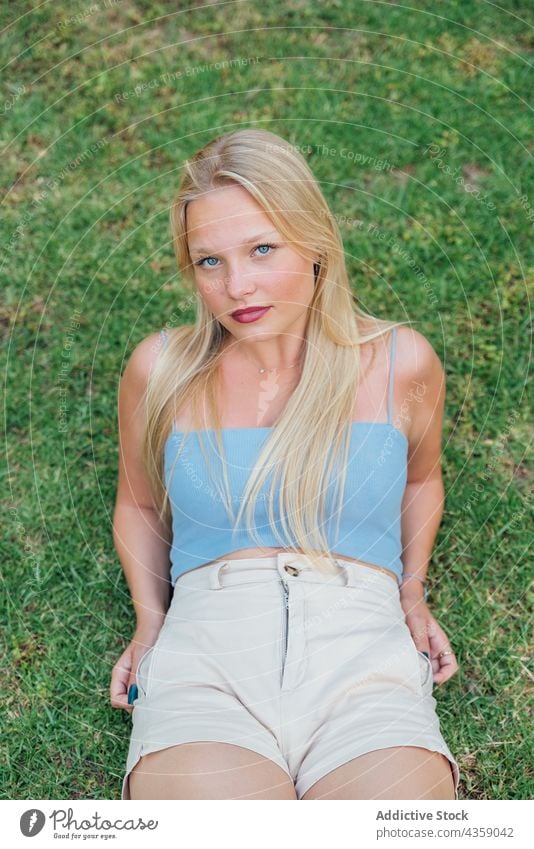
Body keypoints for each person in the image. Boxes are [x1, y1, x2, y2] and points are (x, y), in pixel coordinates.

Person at [110, 128, 461, 800]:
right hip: (207, 657)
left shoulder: (400, 362)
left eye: (261, 249)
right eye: (209, 261)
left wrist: (411, 591)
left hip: (365, 657)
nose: (237, 284)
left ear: (315, 241)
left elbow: (421, 479)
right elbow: (139, 503)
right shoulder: (159, 369)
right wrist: (150, 617)